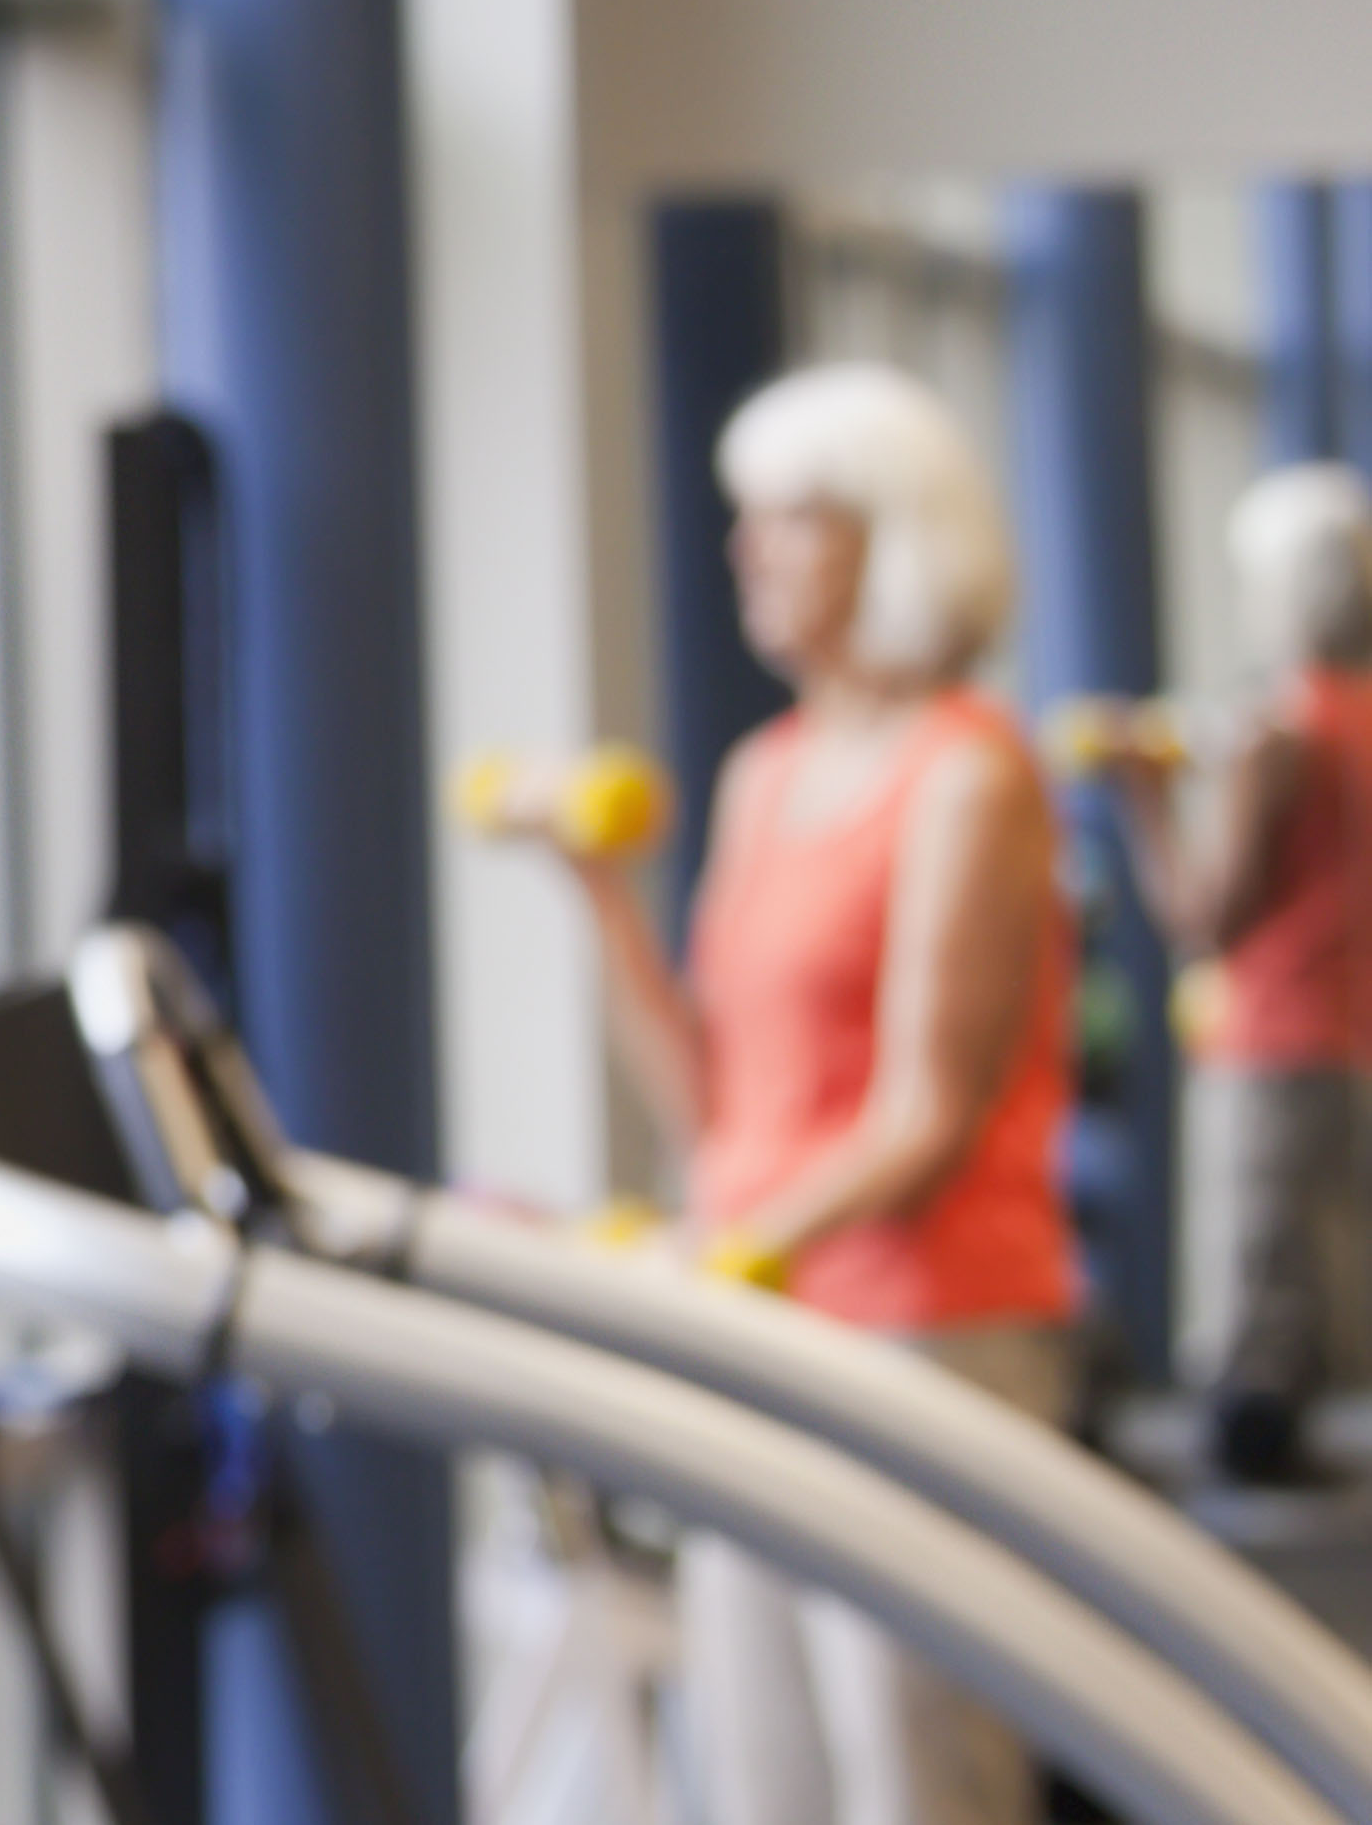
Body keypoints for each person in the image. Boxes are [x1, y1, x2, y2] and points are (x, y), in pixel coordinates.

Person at [485, 360, 1074, 1825]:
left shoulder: (966, 776)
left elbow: (925, 1116)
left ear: (893, 541)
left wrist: (722, 1248)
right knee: (759, 1771)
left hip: (928, 1329)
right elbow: (716, 1107)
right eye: (744, 519)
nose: (746, 550)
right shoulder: (763, 774)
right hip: (765, 1328)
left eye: (790, 521)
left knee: (914, 1773)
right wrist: (601, 899)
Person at [1099, 462, 1372, 1485]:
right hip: (1350, 1042)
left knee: (1259, 1300)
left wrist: (1143, 802)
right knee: (1327, 1289)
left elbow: (1200, 915)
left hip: (1269, 1039)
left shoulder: (1278, 733)